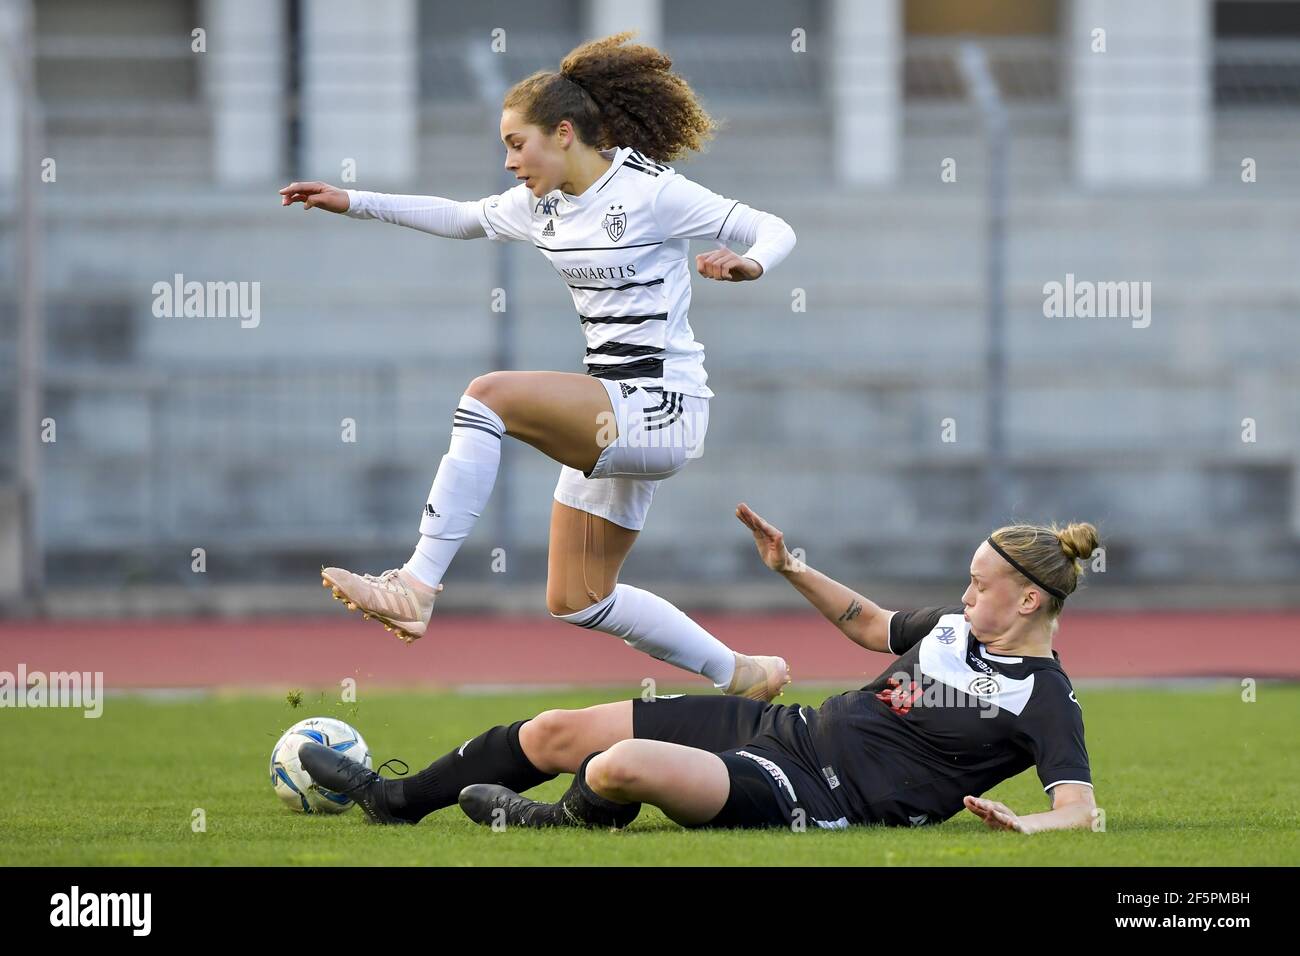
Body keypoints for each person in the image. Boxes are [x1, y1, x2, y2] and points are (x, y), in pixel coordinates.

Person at [278, 32, 795, 701]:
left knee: (489, 396)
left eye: (516, 144)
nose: (507, 161)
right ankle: (741, 674)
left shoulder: (652, 190)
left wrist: (751, 261)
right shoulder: (539, 206)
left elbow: (773, 227)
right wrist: (351, 199)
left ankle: (416, 583)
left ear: (563, 132)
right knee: (578, 597)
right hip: (614, 408)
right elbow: (461, 218)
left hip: (663, 405)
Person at [300, 504, 1100, 833]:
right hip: (781, 728)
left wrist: (1028, 822)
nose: (965, 594)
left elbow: (1079, 807)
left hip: (813, 795)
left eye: (981, 584)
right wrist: (790, 567)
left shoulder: (1046, 700)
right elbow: (867, 623)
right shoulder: (954, 628)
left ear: (1029, 601)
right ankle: (393, 800)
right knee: (554, 731)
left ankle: (555, 821)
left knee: (615, 767)